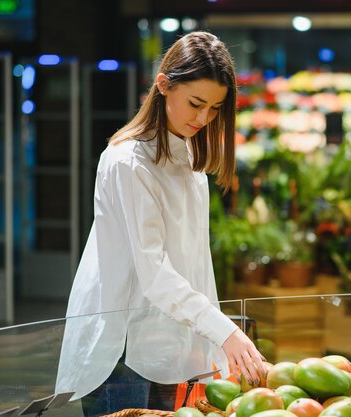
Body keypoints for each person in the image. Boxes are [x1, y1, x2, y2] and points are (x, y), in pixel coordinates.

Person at [55, 31, 266, 416]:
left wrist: (209, 345)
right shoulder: (128, 162)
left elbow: (194, 265)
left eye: (215, 108)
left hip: (167, 345)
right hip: (121, 349)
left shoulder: (187, 157)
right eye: (196, 103)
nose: (203, 118)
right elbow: (154, 273)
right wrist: (223, 332)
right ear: (164, 85)